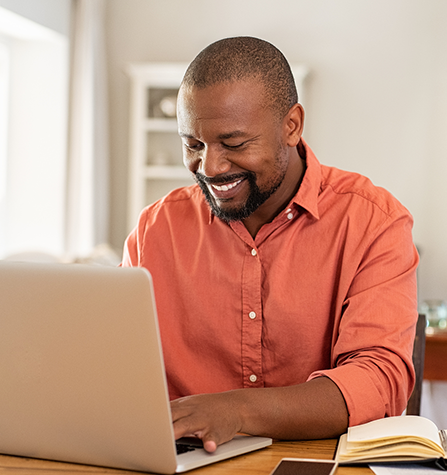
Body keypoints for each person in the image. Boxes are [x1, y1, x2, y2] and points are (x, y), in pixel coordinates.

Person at [122, 36, 419, 453]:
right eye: (193, 145)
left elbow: (377, 380)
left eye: (234, 143)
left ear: (292, 126)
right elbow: (120, 371)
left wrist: (237, 411)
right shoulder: (155, 230)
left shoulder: (373, 222)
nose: (210, 167)